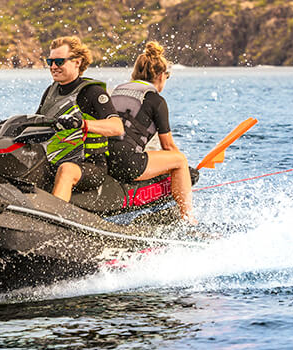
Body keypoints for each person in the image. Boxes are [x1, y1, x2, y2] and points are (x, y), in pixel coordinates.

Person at [107, 41, 196, 223]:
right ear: (162, 76)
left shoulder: (117, 91)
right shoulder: (156, 100)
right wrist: (184, 174)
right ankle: (188, 219)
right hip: (127, 164)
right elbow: (168, 146)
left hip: (105, 160)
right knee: (179, 161)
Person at [36, 35, 124, 202]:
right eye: (50, 62)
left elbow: (117, 127)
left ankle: (55, 220)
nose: (53, 66)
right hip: (53, 161)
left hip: (90, 164)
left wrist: (82, 124)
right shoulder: (50, 91)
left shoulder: (92, 92)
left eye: (59, 62)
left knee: (66, 170)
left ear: (77, 62)